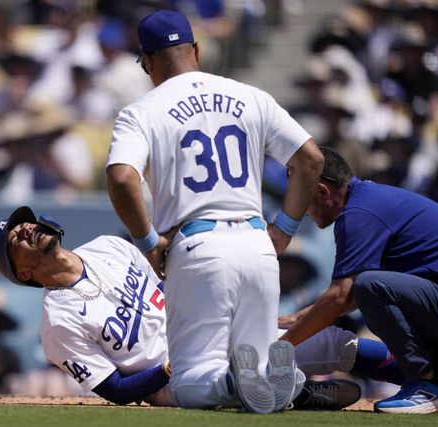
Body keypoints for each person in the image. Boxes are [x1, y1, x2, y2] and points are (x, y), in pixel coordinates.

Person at [105, 9, 324, 413]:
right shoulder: (251, 96)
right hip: (257, 241)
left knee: (190, 381)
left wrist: (148, 241)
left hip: (198, 246)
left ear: (148, 62)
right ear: (197, 50)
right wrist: (285, 228)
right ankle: (276, 377)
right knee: (260, 390)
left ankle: (232, 380)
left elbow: (121, 177)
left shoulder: (141, 111)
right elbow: (311, 158)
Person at [0, 206, 369, 409]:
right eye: (16, 238)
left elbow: (168, 287)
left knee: (333, 342)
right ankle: (297, 394)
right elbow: (116, 390)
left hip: (203, 330)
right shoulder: (57, 323)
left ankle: (408, 373)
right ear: (23, 273)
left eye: (26, 224)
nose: (26, 229)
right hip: (174, 378)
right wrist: (169, 368)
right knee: (230, 379)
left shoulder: (108, 246)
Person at [280, 146, 438, 414]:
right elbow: (352, 296)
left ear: (322, 192)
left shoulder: (358, 213)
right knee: (371, 290)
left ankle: (425, 383)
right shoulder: (367, 200)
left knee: (370, 286)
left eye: (300, 198)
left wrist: (281, 347)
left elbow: (344, 296)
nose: (300, 209)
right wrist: (301, 317)